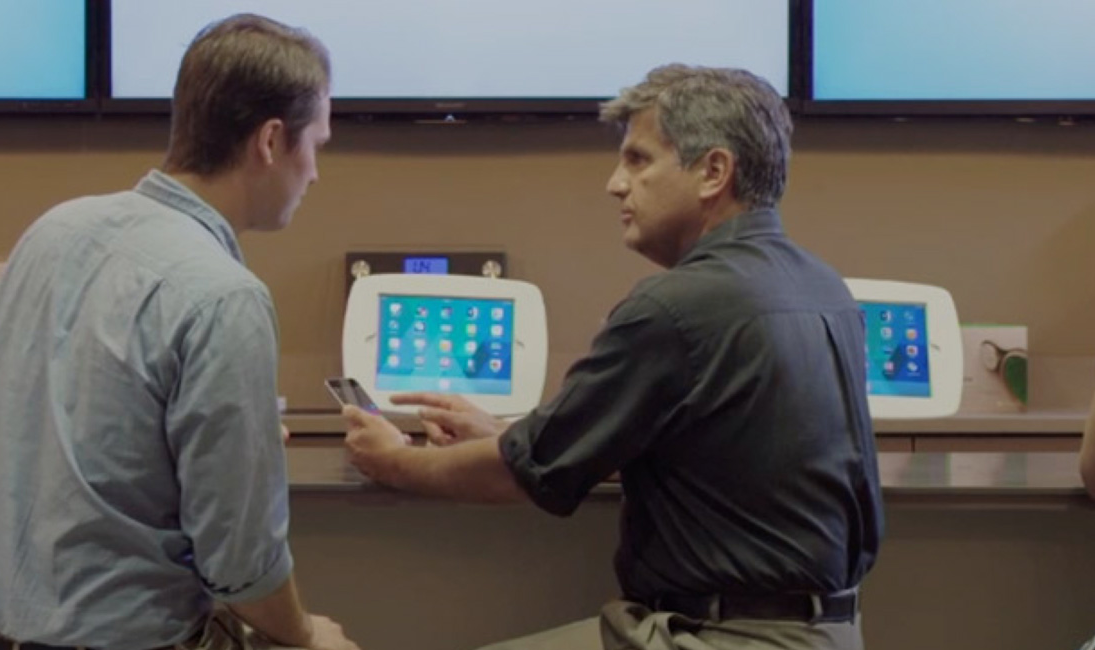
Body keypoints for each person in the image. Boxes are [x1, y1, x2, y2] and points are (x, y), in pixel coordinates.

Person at [344, 65, 883, 650]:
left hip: (722, 636)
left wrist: (392, 460)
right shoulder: (824, 288)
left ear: (713, 172)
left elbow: (516, 477)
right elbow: (719, 454)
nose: (615, 183)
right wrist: (507, 433)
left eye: (639, 160)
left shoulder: (678, 305)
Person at [0, 14, 359, 650]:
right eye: (318, 146)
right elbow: (240, 564)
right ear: (272, 142)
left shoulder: (54, 231)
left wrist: (218, 444)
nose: (317, 174)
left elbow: (78, 439)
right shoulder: (224, 297)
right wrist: (307, 637)